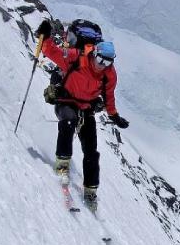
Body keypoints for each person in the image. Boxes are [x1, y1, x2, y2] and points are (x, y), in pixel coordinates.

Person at [35, 19, 129, 210]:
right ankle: (62, 163)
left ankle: (91, 190)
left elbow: (108, 96)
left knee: (92, 150)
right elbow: (51, 51)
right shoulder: (75, 57)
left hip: (86, 107)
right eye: (101, 59)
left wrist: (114, 115)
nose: (102, 65)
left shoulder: (109, 74)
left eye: (108, 62)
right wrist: (43, 36)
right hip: (66, 100)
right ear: (94, 53)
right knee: (68, 123)